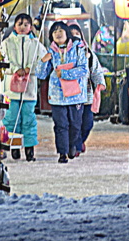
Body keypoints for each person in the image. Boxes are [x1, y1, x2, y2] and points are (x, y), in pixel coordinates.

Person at [36, 21, 89, 164]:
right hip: (57, 96)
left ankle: (72, 145)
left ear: (67, 33)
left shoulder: (78, 48)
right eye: (54, 31)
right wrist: (43, 61)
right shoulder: (50, 51)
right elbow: (41, 75)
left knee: (76, 124)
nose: (58, 33)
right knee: (60, 125)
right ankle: (62, 152)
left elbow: (84, 70)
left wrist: (64, 73)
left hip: (76, 95)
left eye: (61, 30)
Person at [0, 13, 45, 162]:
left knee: (29, 119)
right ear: (15, 26)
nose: (23, 27)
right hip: (10, 89)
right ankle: (13, 146)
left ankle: (29, 148)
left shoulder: (36, 44)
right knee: (11, 118)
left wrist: (29, 69)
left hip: (29, 89)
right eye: (20, 24)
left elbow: (44, 59)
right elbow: (2, 59)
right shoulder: (6, 43)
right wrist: (14, 69)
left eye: (26, 24)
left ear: (31, 27)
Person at [69, 23, 108, 155]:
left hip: (87, 95)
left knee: (87, 123)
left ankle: (79, 142)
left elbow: (96, 70)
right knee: (74, 123)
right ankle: (76, 145)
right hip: (71, 96)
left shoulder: (88, 53)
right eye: (72, 34)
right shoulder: (65, 55)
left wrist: (100, 83)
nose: (75, 37)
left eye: (77, 34)